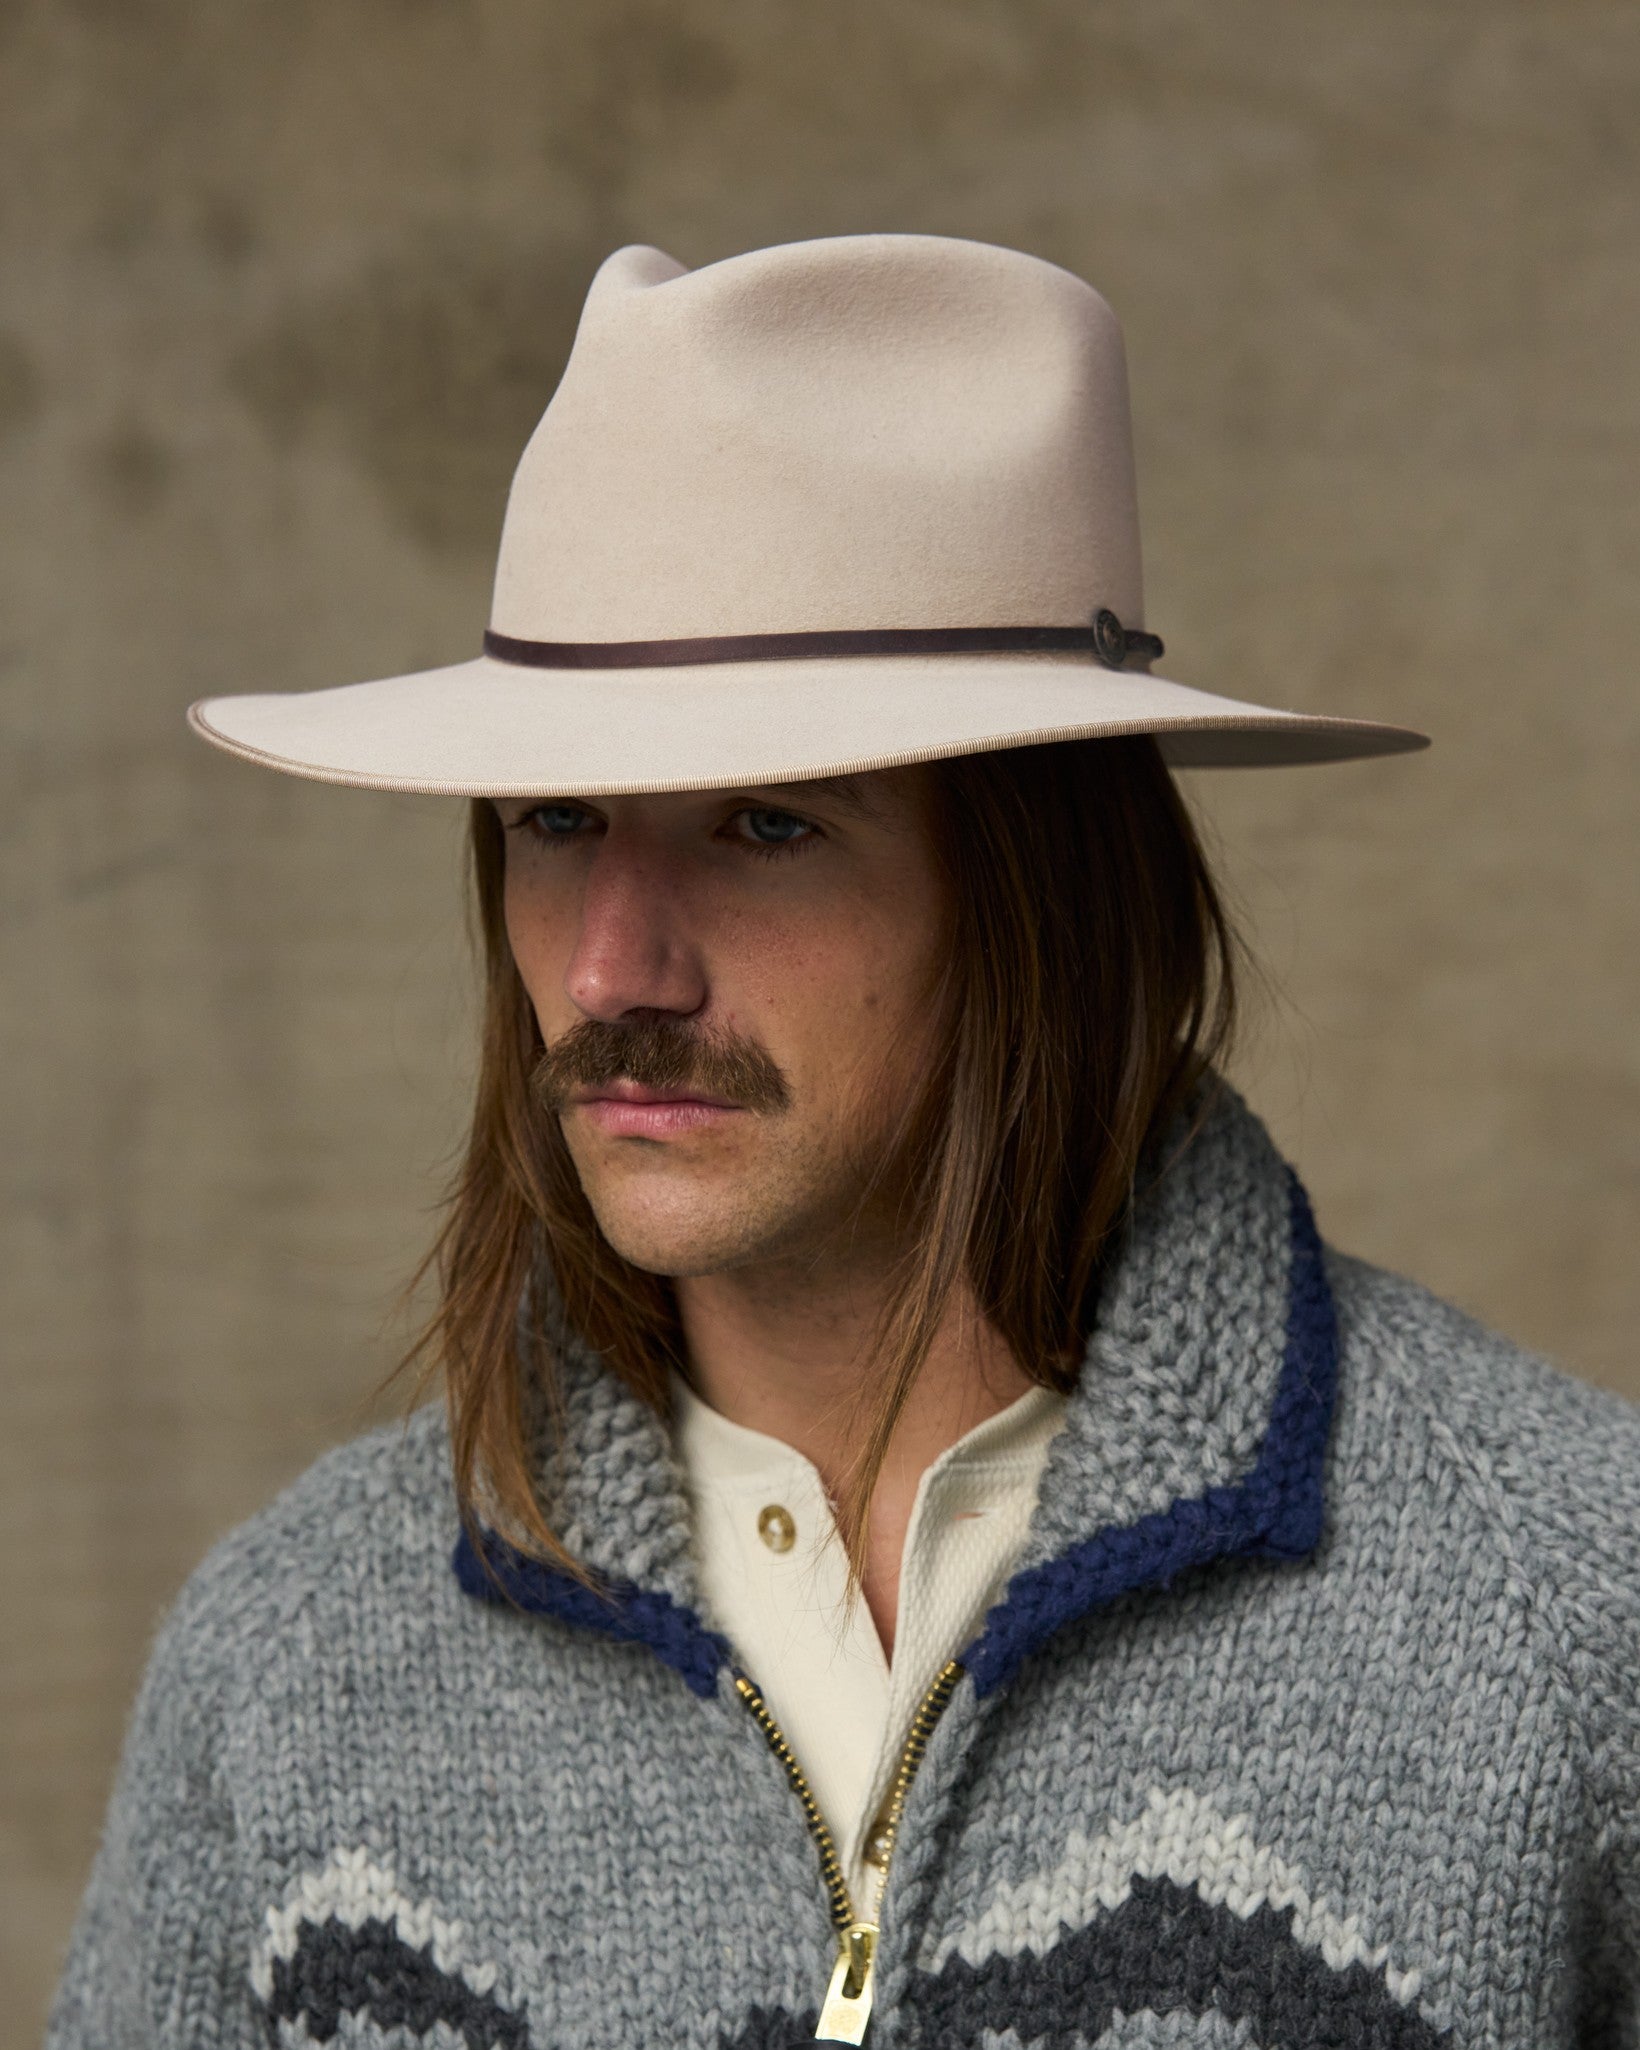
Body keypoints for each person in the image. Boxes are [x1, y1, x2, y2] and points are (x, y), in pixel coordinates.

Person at [44, 234, 1639, 2049]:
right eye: (555, 818)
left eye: (767, 824)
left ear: (1040, 884)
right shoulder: (285, 1667)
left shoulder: (1570, 1604)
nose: (610, 967)